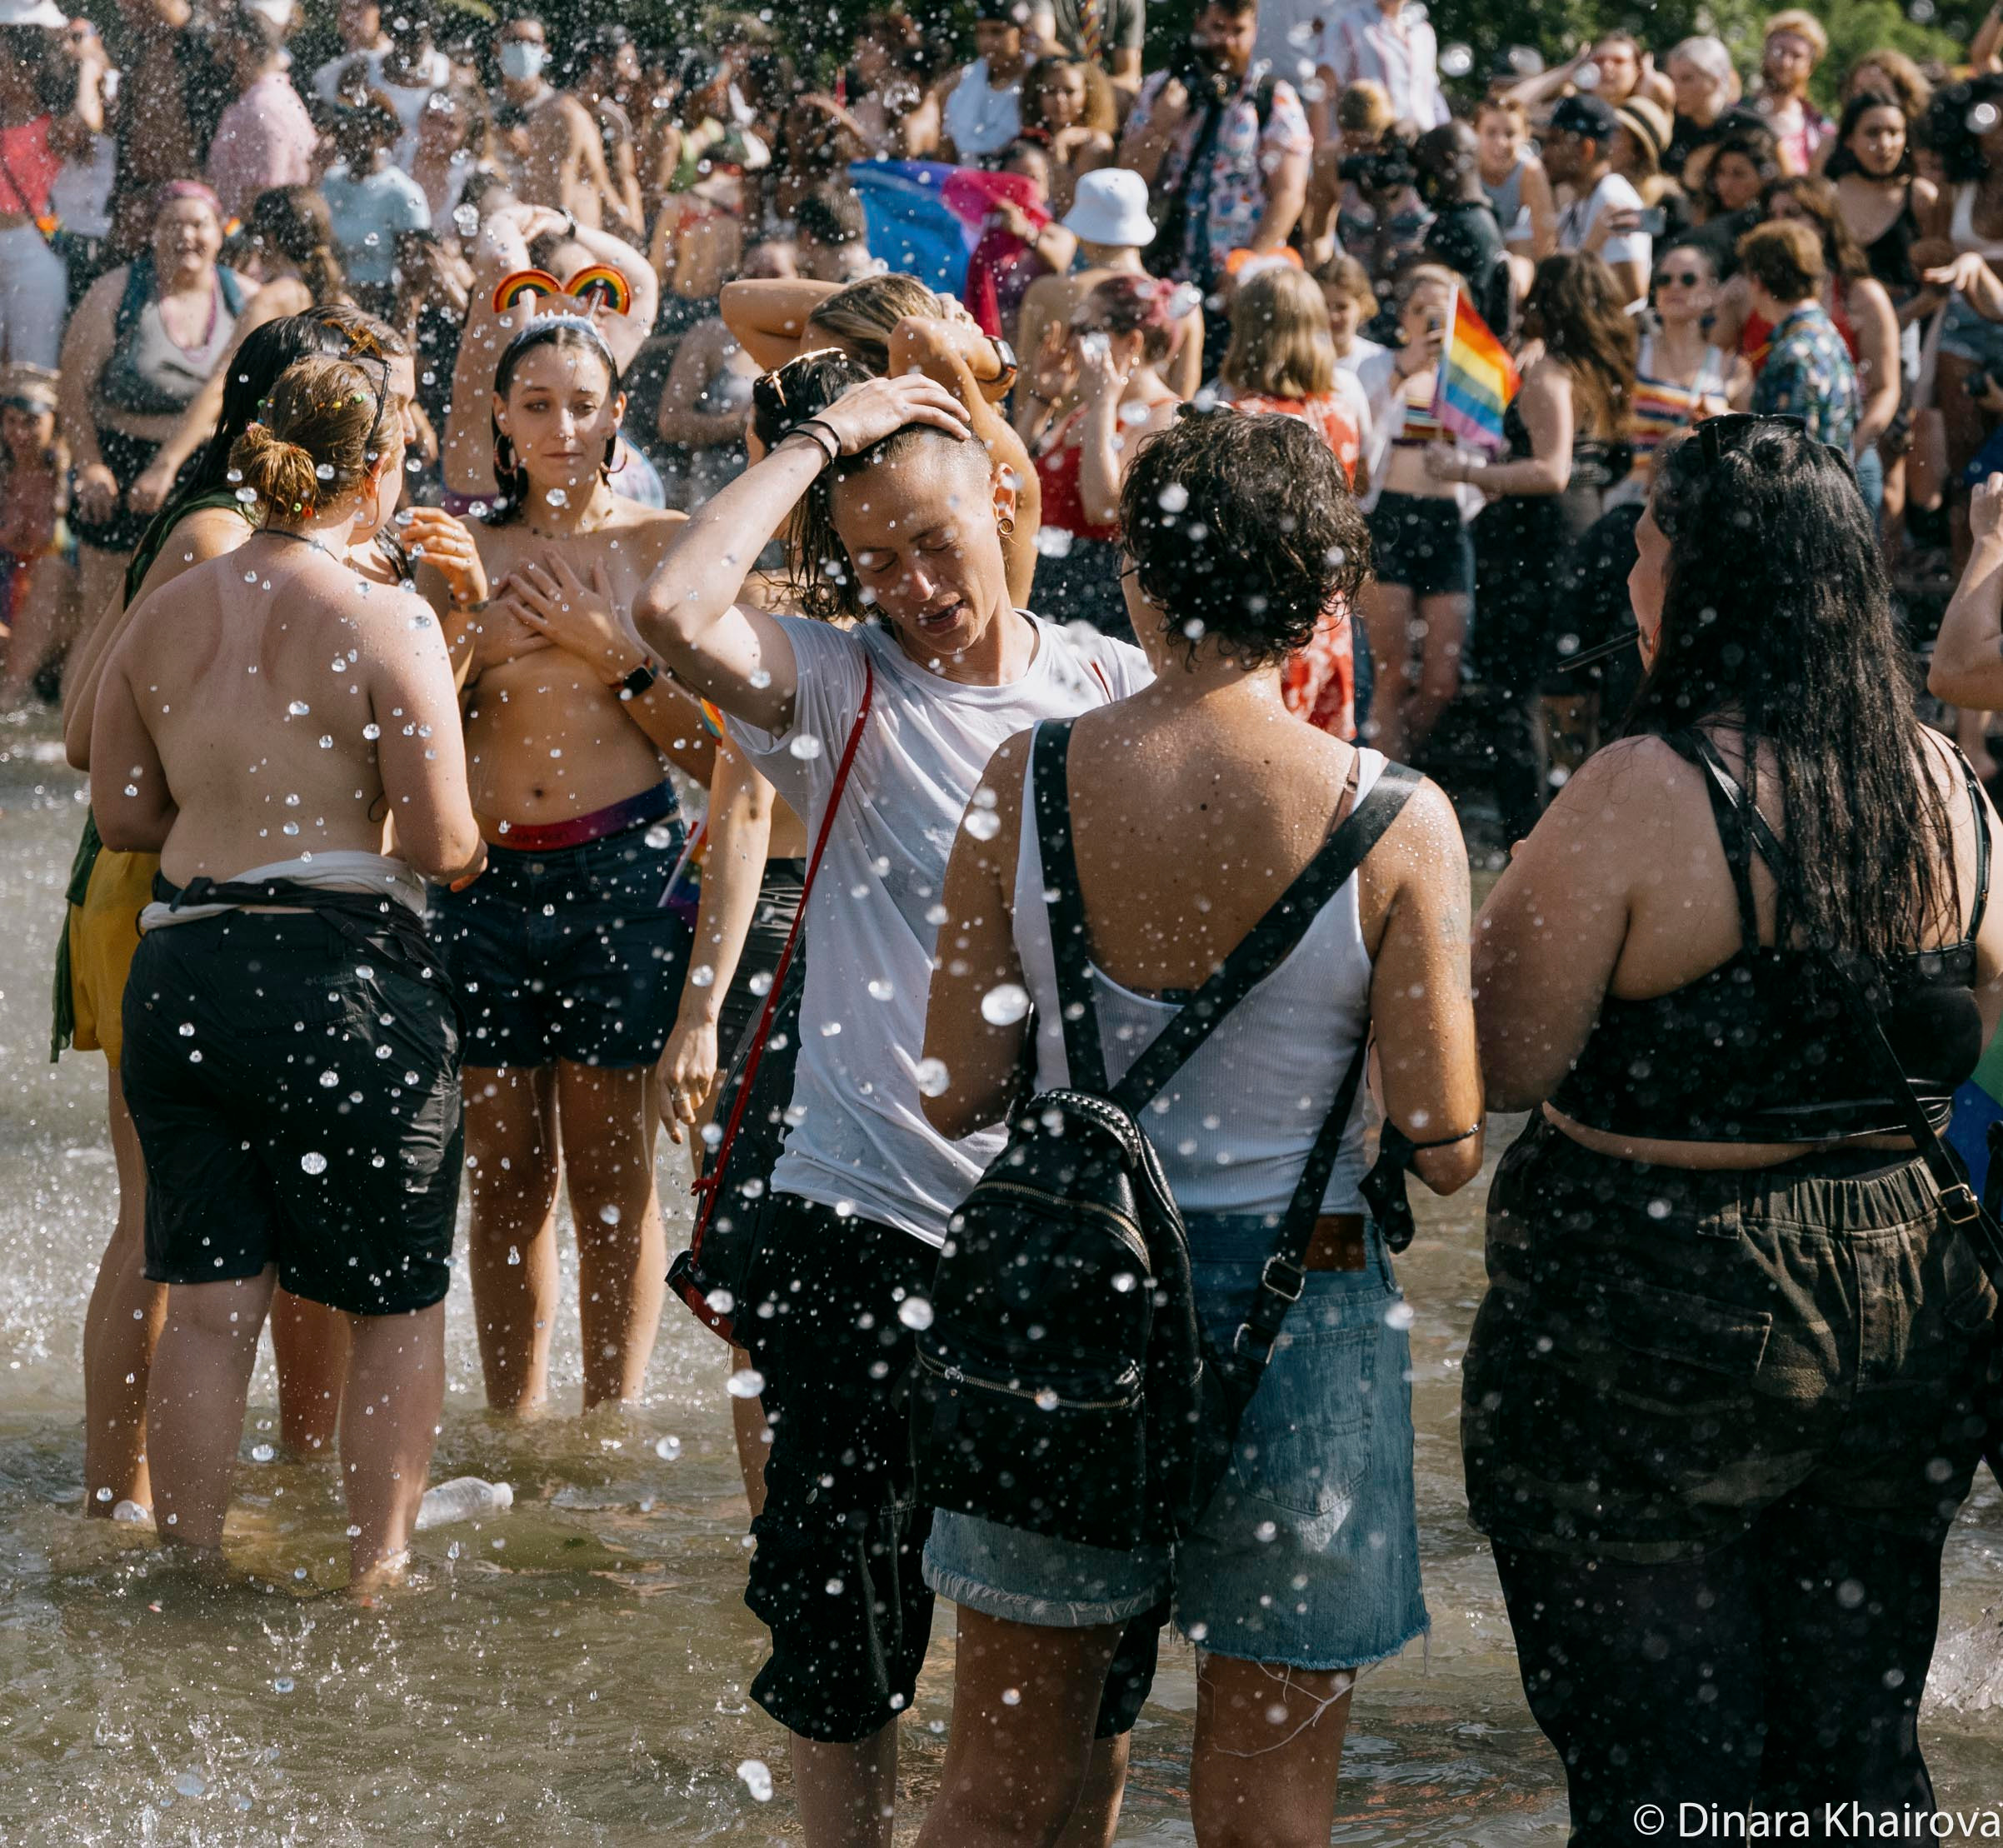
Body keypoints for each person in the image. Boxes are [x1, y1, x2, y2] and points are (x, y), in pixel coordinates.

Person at [910, 405, 1481, 1848]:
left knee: (992, 1791)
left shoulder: (1021, 777)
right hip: (1301, 1315)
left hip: (1065, 1311)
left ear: (1140, 586)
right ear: (1317, 603)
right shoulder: (1392, 817)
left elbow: (957, 1089)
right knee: (1264, 1819)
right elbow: (1444, 1138)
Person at [633, 367, 1153, 1848]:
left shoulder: (1105, 683)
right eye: (874, 560)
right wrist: (814, 442)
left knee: (1083, 1655)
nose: (912, 585)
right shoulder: (837, 685)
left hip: (1051, 1238)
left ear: (1005, 502)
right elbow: (671, 611)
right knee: (840, 1651)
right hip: (858, 1227)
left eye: (933, 542)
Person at [1464, 413, 2003, 1842]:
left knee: (1662, 1764)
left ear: (1702, 578)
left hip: (1653, 1302)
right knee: (1853, 1747)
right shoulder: (1944, 791)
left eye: (1645, 534)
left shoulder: (1640, 790)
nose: (1627, 557)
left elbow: (1502, 1060)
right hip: (1905, 1302)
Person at [92, 352, 482, 1591]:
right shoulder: (385, 613)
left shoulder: (167, 607)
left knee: (208, 1300)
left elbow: (120, 810)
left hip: (186, 967)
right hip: (342, 977)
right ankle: (378, 1571)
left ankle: (189, 1565)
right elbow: (441, 843)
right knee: (394, 1306)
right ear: (375, 471)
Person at [1434, 252, 1636, 837]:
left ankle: (1528, 827)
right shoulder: (1597, 368)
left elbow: (1550, 470)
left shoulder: (1550, 375)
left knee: (1515, 686)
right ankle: (1574, 821)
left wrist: (1465, 471)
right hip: (1588, 528)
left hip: (1538, 542)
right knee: (1568, 681)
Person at [719, 269, 1045, 606]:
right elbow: (736, 302)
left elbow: (918, 337)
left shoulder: (969, 455)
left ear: (894, 374)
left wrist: (993, 357)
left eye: (835, 368)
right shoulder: (847, 469)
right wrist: (872, 301)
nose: (814, 382)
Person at [57, 182, 252, 652]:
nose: (186, 235)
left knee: (201, 620)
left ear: (221, 233)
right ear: (153, 233)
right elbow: (71, 387)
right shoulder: (117, 291)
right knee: (107, 620)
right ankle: (80, 727)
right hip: (119, 465)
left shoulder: (243, 298)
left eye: (198, 224)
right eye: (173, 225)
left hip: (205, 468)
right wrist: (89, 465)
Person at [124, 187, 352, 520]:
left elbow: (224, 384)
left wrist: (165, 464)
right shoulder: (340, 301)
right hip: (323, 458)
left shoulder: (271, 300)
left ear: (269, 239)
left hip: (277, 464)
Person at [1120, 0, 1312, 366]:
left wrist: (1248, 262)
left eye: (1237, 31)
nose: (1225, 40)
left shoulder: (1272, 97)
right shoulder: (1164, 87)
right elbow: (1128, 177)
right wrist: (1161, 125)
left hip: (1239, 282)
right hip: (1166, 272)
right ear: (1200, 24)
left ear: (1254, 31)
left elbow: (1289, 194)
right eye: (1217, 28)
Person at [1016, 272, 1182, 638]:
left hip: (1100, 613)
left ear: (1132, 343)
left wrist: (1105, 401)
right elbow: (1013, 483)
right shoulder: (1087, 413)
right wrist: (1042, 400)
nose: (1073, 342)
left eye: (1087, 329)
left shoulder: (1165, 417)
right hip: (1047, 597)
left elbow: (1106, 509)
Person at [1356, 262, 1476, 764]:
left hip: (1447, 521)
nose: (1434, 323)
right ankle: (1390, 786)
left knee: (1441, 682)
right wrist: (1406, 371)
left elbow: (1489, 451)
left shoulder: (1472, 376)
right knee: (1393, 673)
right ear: (1404, 316)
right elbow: (1363, 441)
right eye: (1423, 311)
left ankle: (1398, 766)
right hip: (1390, 518)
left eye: (1444, 312)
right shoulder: (1378, 366)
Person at [1764, 178, 1898, 517]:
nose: (1780, 222)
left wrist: (1846, 451)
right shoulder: (1749, 290)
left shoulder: (1861, 294)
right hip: (1769, 457)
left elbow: (1886, 389)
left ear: (1823, 224)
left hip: (1845, 451)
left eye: (1792, 213)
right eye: (1773, 213)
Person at [1016, 167, 1206, 400]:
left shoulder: (1047, 292)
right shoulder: (1180, 307)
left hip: (1072, 434)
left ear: (1082, 231)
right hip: (1144, 435)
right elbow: (1183, 410)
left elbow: (1027, 392)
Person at [0, 2, 98, 367]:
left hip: (29, 250)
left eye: (3, 58)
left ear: (28, 65)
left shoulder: (50, 128)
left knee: (33, 366)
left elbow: (88, 117)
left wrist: (88, 66)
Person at [1739, 219, 1861, 454]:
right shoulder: (1827, 334)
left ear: (1757, 281)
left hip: (1804, 488)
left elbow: (1786, 454)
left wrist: (1725, 419)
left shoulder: (1794, 353)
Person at [1622, 240, 1732, 498]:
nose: (1674, 286)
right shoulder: (1634, 352)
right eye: (1664, 279)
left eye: (1688, 279)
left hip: (1698, 503)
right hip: (1638, 501)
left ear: (1713, 293)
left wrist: (1723, 417)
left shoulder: (1731, 367)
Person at [202, 1, 316, 224]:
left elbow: (261, 201)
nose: (216, 58)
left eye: (221, 46)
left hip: (253, 249)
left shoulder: (260, 109)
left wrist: (232, 242)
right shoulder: (282, 97)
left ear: (240, 47)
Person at [321, 92, 432, 317]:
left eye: (357, 131)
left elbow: (414, 277)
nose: (346, 139)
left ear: (381, 135)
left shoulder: (402, 193)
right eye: (341, 131)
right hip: (332, 301)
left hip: (379, 308)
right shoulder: (330, 182)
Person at [1827, 87, 1934, 303]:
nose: (1885, 144)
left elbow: (1938, 286)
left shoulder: (1921, 196)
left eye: (1894, 132)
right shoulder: (1828, 194)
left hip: (1904, 321)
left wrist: (1902, 319)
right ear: (1849, 139)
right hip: (1837, 319)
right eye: (1872, 133)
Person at [1545, 93, 1651, 308]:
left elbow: (1633, 291)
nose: (1545, 153)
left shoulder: (1615, 198)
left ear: (1586, 149)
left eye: (1555, 141)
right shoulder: (1577, 204)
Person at [1412, 121, 1511, 337]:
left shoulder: (1459, 226)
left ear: (1449, 163)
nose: (1420, 181)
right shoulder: (1486, 214)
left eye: (1425, 168)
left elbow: (1424, 293)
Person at [1317, 0, 1447, 129]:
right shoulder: (1346, 26)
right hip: (1371, 142)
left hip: (1422, 141)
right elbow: (1321, 94)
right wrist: (1320, 149)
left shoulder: (1424, 32)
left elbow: (1430, 94)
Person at [1017, 56, 1114, 219]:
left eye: (1069, 91)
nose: (1059, 100)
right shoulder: (1031, 138)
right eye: (1050, 91)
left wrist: (1059, 149)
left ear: (1089, 95)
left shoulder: (1096, 144)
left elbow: (1073, 212)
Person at [938, 0, 1029, 165]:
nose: (987, 41)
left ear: (1022, 34)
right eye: (980, 32)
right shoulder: (960, 82)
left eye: (997, 32)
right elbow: (946, 151)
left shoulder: (1038, 81)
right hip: (968, 183)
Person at [842, 12, 941, 160]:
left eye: (866, 52)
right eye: (856, 52)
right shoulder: (865, 105)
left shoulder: (917, 101)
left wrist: (849, 127)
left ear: (891, 54)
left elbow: (904, 159)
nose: (857, 59)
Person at [1476, 95, 1556, 260]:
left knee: (1521, 254)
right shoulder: (1466, 168)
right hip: (1474, 246)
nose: (1501, 142)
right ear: (1475, 134)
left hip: (1512, 249)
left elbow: (1546, 242)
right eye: (1491, 133)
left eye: (1510, 134)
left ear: (1526, 136)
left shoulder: (1530, 171)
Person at [1754, 9, 1831, 177]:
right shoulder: (1738, 113)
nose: (1785, 62)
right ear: (1765, 54)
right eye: (1778, 51)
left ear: (1810, 67)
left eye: (1796, 56)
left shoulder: (1820, 130)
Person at [1663, 34, 1739, 186]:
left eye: (1686, 79)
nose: (1675, 88)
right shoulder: (1668, 128)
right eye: (1672, 78)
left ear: (1715, 81)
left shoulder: (1748, 129)